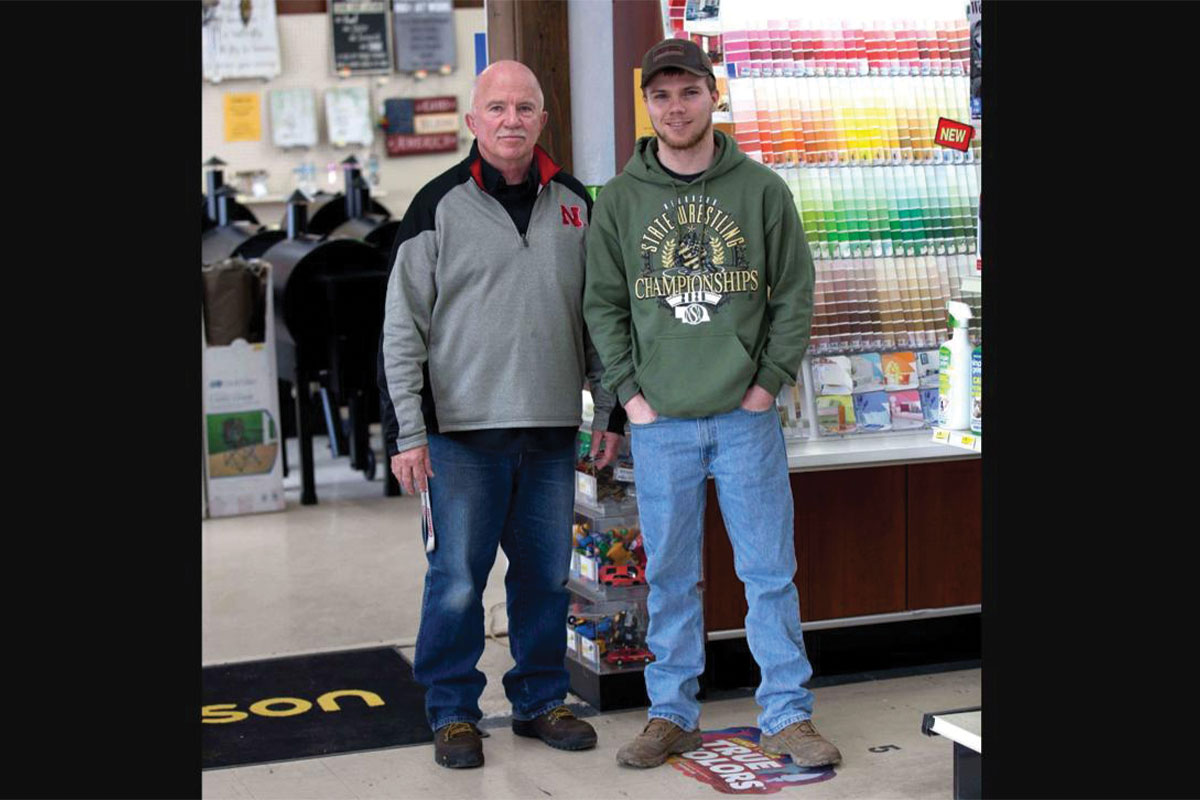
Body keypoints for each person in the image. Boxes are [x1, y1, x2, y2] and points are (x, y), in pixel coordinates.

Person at [583, 39, 842, 769]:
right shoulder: (622, 201)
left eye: (687, 92)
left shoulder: (761, 190)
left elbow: (794, 293)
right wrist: (629, 397)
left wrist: (766, 384)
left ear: (713, 94)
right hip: (660, 421)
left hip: (744, 417)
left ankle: (787, 716)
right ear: (648, 105)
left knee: (768, 572)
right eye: (660, 95)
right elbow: (602, 305)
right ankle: (671, 713)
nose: (675, 107)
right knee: (669, 575)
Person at [377, 60, 625, 769]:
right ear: (473, 122)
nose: (512, 119)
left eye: (525, 107)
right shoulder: (437, 205)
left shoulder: (577, 204)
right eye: (497, 107)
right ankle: (452, 711)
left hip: (550, 432)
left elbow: (601, 318)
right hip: (459, 438)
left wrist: (608, 412)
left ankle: (540, 699)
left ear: (543, 119)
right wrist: (407, 433)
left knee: (545, 577)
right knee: (456, 580)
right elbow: (402, 330)